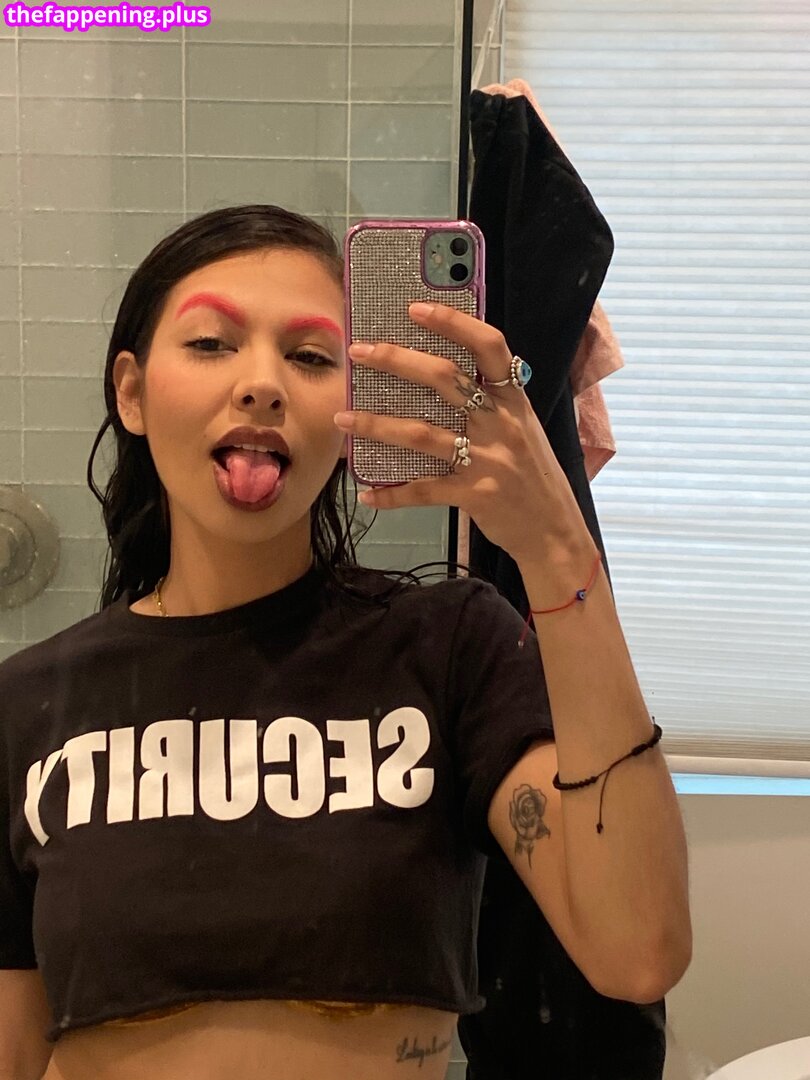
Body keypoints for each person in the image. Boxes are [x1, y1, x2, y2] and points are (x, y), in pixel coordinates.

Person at [0, 205, 691, 1080]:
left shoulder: (448, 648)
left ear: (355, 401)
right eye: (212, 343)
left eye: (311, 357)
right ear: (131, 393)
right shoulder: (28, 704)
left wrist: (558, 551)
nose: (263, 384)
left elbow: (637, 949)